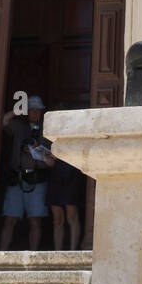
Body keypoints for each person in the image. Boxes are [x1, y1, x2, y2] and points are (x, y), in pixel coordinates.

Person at [0, 95, 54, 250]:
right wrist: (18, 111)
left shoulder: (47, 132)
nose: (35, 113)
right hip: (17, 178)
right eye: (31, 110)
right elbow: (4, 121)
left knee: (35, 220)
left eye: (38, 110)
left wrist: (35, 150)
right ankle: (2, 254)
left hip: (37, 180)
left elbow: (52, 161)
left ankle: (33, 255)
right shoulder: (19, 128)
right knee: (9, 219)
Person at [46, 104, 84, 250]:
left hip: (71, 174)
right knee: (57, 219)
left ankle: (73, 251)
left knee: (72, 216)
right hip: (55, 176)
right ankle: (58, 251)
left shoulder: (76, 132)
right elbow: (49, 157)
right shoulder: (50, 134)